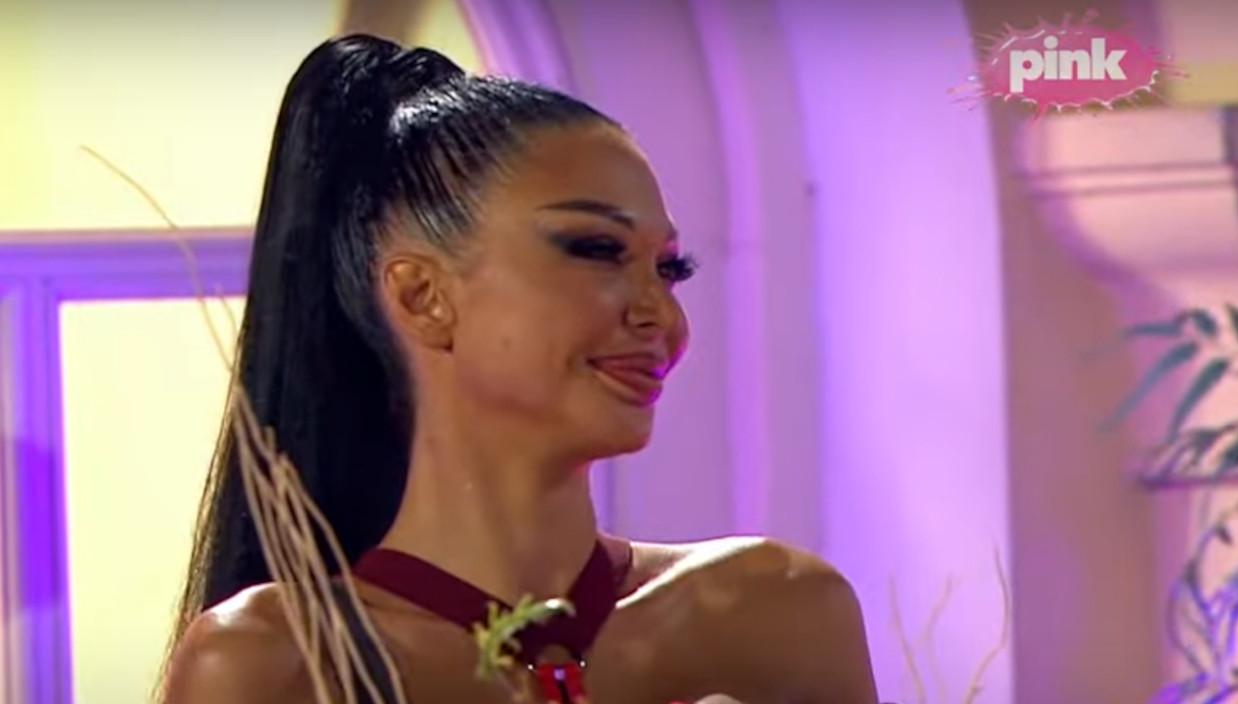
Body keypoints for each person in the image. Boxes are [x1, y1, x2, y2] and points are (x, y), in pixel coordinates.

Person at [157, 34, 878, 704]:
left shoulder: (775, 612)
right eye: (595, 250)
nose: (662, 317)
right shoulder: (276, 659)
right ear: (423, 296)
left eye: (669, 269)